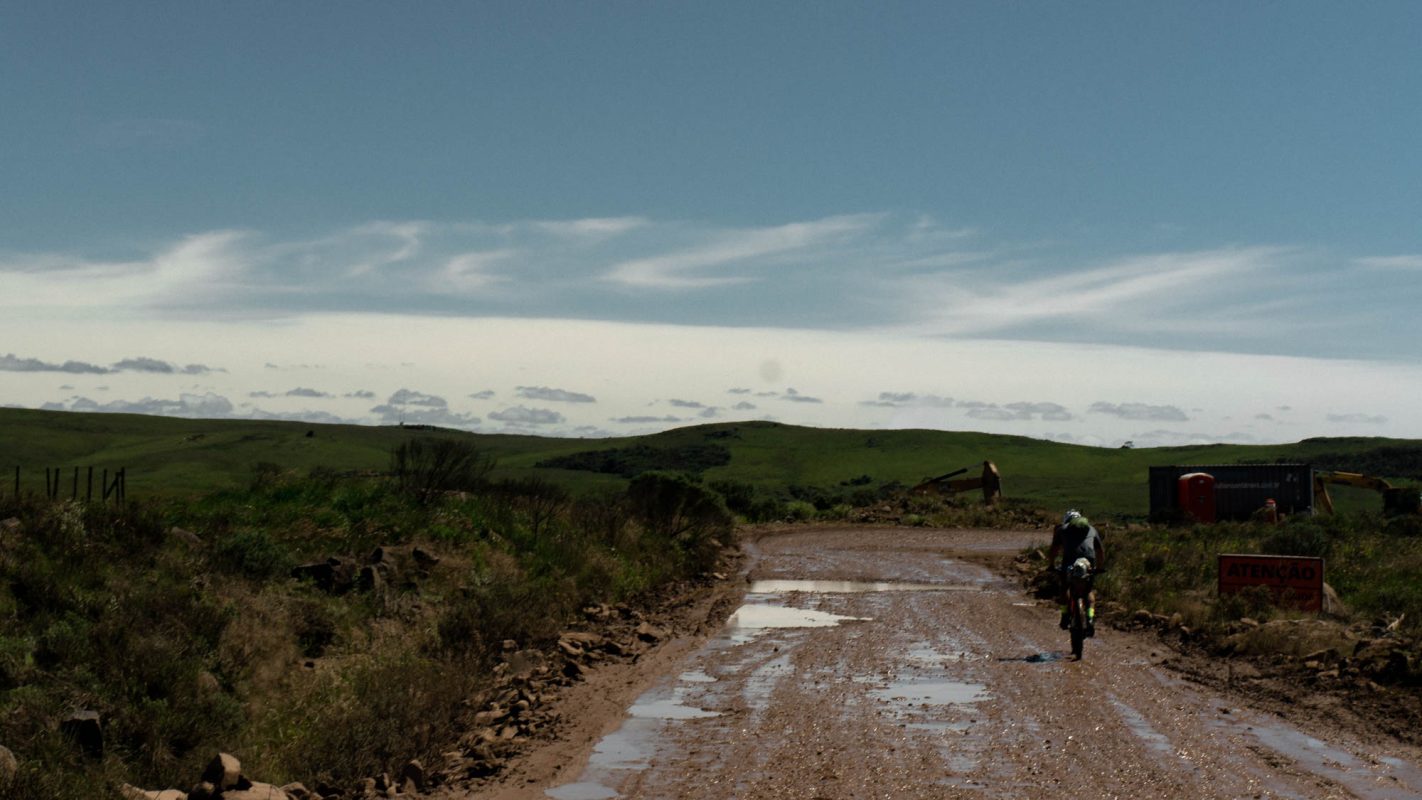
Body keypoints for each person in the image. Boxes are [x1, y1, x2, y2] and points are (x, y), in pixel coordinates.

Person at [1049, 510, 1106, 636]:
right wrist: (1100, 567)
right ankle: (1090, 618)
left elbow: (1054, 550)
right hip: (1088, 560)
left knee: (1064, 587)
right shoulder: (1091, 529)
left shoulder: (1062, 529)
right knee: (1088, 591)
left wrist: (1051, 565)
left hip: (1069, 560)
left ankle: (1064, 615)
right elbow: (1100, 550)